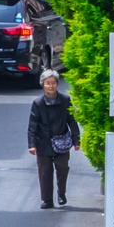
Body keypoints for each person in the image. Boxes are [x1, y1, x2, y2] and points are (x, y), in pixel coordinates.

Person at [26, 70, 80, 209]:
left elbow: (72, 121)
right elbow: (32, 125)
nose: (51, 86)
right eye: (47, 83)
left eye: (53, 83)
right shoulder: (38, 103)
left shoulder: (65, 100)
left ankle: (61, 193)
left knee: (62, 167)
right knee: (45, 171)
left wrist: (76, 140)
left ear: (57, 84)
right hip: (43, 142)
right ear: (43, 85)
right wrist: (32, 144)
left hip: (62, 141)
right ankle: (47, 200)